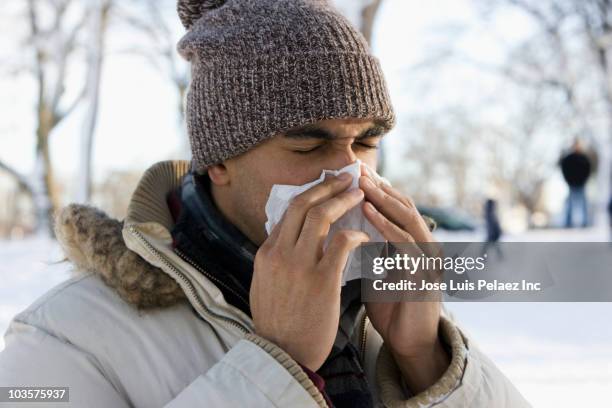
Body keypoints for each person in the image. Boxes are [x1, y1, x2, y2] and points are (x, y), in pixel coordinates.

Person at [0, 1, 529, 407]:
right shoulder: (67, 336)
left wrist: (425, 359)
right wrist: (277, 364)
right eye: (309, 144)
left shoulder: (386, 309)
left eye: (366, 143)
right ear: (220, 161)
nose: (349, 173)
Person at [560, 139, 592, 228]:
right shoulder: (568, 158)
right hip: (571, 183)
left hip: (582, 183)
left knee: (584, 203)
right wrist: (567, 180)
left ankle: (585, 222)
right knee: (569, 203)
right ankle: (568, 222)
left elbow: (588, 169)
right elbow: (564, 168)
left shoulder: (584, 158)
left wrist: (585, 180)